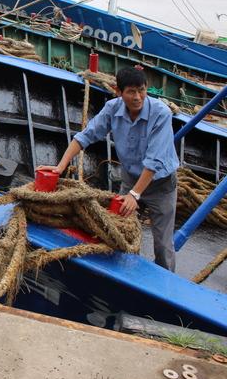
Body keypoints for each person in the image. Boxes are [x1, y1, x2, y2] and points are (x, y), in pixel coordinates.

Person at [38, 66, 179, 271]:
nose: (138, 97)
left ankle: (166, 292)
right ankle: (125, 276)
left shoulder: (161, 114)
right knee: (119, 231)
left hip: (161, 185)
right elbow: (85, 136)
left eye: (142, 90)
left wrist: (134, 194)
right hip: (131, 178)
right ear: (119, 92)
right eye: (131, 91)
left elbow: (154, 162)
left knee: (163, 244)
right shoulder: (113, 109)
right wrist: (60, 167)